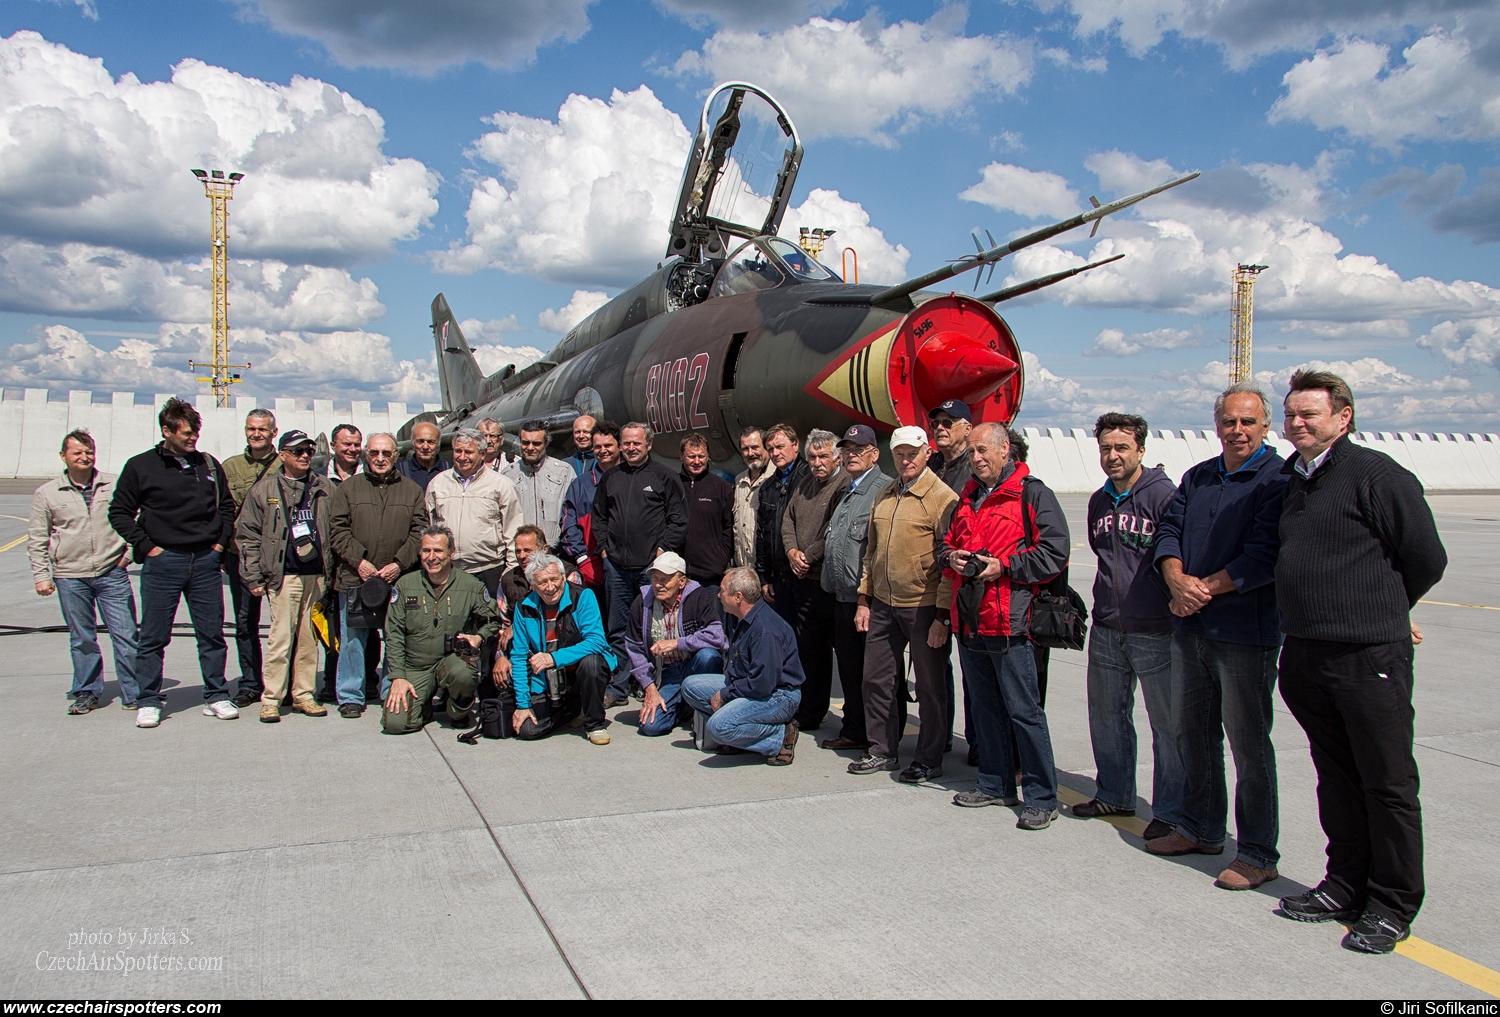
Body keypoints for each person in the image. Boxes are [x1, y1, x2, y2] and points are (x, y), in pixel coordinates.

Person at [1274, 370, 1447, 954]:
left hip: (1367, 654)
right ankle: (1344, 885)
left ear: (1343, 416)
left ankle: (1392, 904)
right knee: (1337, 776)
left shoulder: (1377, 475)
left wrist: (1385, 611)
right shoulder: (1294, 479)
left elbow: (1425, 557)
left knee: (1388, 782)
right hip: (1306, 653)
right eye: (1292, 414)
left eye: (1310, 415)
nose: (1298, 424)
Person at [1150, 382, 1288, 891]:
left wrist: (1199, 589)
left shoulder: (1277, 480)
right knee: (1194, 733)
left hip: (1244, 635)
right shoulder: (1199, 476)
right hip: (1191, 628)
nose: (1237, 430)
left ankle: (1256, 851)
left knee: (1248, 746)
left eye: (1248, 422)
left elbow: (1264, 554)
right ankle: (1202, 828)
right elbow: (1169, 530)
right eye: (1229, 421)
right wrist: (1174, 578)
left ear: (1266, 426)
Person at [942, 423, 1070, 829]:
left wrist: (1005, 566)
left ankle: (1041, 796)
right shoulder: (967, 497)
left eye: (983, 450)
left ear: (1005, 450)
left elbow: (1055, 551)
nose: (976, 458)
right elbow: (945, 542)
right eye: (973, 452)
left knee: (1024, 711)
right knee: (984, 706)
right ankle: (995, 783)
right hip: (972, 619)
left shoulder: (1033, 493)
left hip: (1012, 621)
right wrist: (952, 559)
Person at [1073, 414, 1182, 840]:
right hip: (1107, 626)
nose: (1113, 456)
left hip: (1155, 628)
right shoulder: (1099, 501)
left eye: (1121, 448)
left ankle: (1171, 810)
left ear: (1140, 450)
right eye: (1105, 448)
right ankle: (1115, 793)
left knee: (1167, 725)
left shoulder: (1164, 497)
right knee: (1107, 715)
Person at [109, 397, 237, 729]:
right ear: (166, 430)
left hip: (205, 562)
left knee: (212, 634)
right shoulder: (140, 466)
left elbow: (226, 508)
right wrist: (147, 547)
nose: (192, 439)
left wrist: (219, 545)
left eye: (195, 433)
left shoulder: (208, 464)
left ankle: (216, 695)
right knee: (153, 636)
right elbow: (119, 513)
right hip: (163, 562)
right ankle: (149, 699)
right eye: (185, 435)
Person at [849, 426, 958, 783]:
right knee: (876, 681)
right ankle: (881, 749)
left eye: (912, 453)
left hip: (923, 606)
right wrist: (864, 599)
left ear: (927, 453)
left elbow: (948, 564)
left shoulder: (943, 499)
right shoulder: (885, 493)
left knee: (929, 686)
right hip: (882, 604)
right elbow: (871, 553)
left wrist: (942, 615)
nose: (905, 460)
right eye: (899, 454)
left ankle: (928, 758)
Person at [30, 429, 138, 714]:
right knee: (82, 638)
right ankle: (87, 691)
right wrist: (42, 575)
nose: (84, 457)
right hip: (70, 575)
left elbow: (135, 519)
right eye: (77, 452)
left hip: (111, 571)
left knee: (126, 634)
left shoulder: (113, 485)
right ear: (63, 456)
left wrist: (127, 555)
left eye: (89, 452)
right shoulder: (48, 493)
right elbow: (38, 538)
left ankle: (135, 692)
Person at [328, 433, 429, 719]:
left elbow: (419, 531)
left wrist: (399, 563)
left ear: (396, 455)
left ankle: (389, 690)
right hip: (355, 577)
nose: (380, 458)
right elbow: (337, 529)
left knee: (396, 637)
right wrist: (358, 560)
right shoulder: (348, 490)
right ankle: (350, 695)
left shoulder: (410, 491)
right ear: (366, 455)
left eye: (386, 453)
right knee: (353, 639)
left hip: (398, 578)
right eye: (374, 453)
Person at [236, 430, 333, 723]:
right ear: (282, 455)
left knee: (308, 639)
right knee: (280, 639)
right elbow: (247, 535)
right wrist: (253, 576)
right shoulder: (264, 491)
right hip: (284, 575)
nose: (305, 456)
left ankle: (304, 694)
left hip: (315, 576)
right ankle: (272, 698)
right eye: (298, 451)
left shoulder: (325, 488)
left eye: (308, 450)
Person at [591, 422, 688, 708]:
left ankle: (653, 684)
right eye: (626, 443)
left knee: (653, 628)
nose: (631, 448)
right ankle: (620, 686)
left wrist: (661, 553)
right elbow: (599, 516)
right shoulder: (611, 478)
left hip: (651, 570)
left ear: (648, 445)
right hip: (617, 568)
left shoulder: (664, 477)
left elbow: (679, 519)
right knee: (618, 629)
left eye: (637, 443)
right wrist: (604, 549)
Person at [382, 526, 503, 734]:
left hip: (451, 661)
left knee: (464, 674)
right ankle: (423, 706)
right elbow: (393, 634)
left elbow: (493, 621)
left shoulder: (470, 586)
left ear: (451, 552)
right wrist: (397, 677)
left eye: (438, 551)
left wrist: (478, 638)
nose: (432, 557)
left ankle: (457, 711)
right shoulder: (405, 585)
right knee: (395, 724)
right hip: (416, 665)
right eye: (426, 551)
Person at [681, 567, 805, 764]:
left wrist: (725, 695)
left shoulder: (766, 630)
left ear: (738, 597)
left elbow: (762, 684)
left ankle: (780, 737)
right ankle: (741, 736)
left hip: (778, 695)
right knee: (690, 686)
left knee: (718, 727)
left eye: (723, 591)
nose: (719, 595)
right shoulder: (740, 618)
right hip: (748, 685)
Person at [817, 424, 891, 751]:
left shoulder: (882, 490)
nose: (850, 455)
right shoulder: (847, 489)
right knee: (849, 671)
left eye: (858, 450)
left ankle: (882, 739)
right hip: (842, 598)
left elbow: (878, 551)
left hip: (866, 601)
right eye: (846, 450)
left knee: (874, 677)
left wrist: (865, 598)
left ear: (874, 454)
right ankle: (855, 730)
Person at [509, 552, 616, 743]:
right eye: (543, 582)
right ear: (533, 585)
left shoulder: (582, 596)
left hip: (579, 671)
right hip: (547, 680)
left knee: (592, 663)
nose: (550, 587)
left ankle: (595, 724)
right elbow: (518, 656)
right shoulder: (523, 606)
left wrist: (554, 658)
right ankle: (571, 709)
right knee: (527, 731)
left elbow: (597, 641)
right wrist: (523, 704)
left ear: (563, 577)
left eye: (554, 579)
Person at [780, 429, 845, 735]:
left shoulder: (844, 484)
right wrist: (792, 551)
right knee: (811, 652)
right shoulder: (805, 484)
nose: (818, 463)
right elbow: (788, 520)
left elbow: (833, 529)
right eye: (813, 457)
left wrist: (807, 557)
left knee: (844, 655)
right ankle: (811, 712)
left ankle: (854, 719)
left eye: (823, 457)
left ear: (837, 457)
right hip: (803, 582)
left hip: (828, 583)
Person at [625, 552, 727, 736]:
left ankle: (704, 708)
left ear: (681, 581)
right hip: (666, 672)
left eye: (665, 579)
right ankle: (684, 705)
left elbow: (717, 636)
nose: (657, 584)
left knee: (708, 656)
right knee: (650, 726)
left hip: (693, 665)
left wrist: (678, 643)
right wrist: (650, 689)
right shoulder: (642, 602)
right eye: (655, 578)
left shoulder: (698, 596)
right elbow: (634, 648)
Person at [221, 408, 280, 708]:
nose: (256, 434)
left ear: (274, 432)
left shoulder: (285, 463)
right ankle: (250, 683)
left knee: (284, 624)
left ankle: (282, 682)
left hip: (278, 558)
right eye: (251, 429)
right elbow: (221, 510)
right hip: (241, 555)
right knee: (245, 622)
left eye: (262, 429)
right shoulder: (230, 467)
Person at [425, 427, 524, 599]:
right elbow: (431, 526)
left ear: (483, 453)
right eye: (458, 451)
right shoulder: (438, 484)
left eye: (469, 452)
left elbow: (513, 529)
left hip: (489, 571)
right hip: (449, 570)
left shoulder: (501, 485)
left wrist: (510, 570)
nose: (462, 457)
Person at [315, 422, 362, 703]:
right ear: (334, 446)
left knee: (359, 626)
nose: (352, 450)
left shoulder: (368, 477)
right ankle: (330, 682)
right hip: (326, 563)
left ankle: (364, 683)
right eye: (346, 444)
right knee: (330, 628)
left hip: (356, 564)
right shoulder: (319, 479)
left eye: (356, 445)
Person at [754, 423, 806, 623]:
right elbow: (762, 534)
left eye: (780, 446)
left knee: (810, 640)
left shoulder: (809, 479)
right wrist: (764, 576)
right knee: (785, 635)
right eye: (771, 449)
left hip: (804, 576)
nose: (775, 453)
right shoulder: (768, 487)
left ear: (795, 445)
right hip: (780, 578)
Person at [560, 420, 622, 585]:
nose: (603, 451)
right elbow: (568, 524)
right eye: (597, 447)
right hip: (593, 568)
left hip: (629, 567)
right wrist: (581, 557)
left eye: (608, 445)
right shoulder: (580, 485)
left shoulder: (632, 479)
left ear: (620, 446)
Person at [501, 419, 576, 548]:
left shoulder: (563, 471)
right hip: (521, 551)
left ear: (546, 443)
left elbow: (573, 513)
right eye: (525, 443)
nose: (530, 448)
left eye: (536, 443)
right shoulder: (508, 475)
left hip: (555, 549)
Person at [678, 433, 734, 590]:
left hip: (711, 576)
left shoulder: (721, 487)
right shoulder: (672, 485)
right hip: (677, 574)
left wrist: (720, 559)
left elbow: (728, 527)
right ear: (681, 455)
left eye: (701, 456)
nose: (697, 461)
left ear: (708, 456)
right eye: (691, 456)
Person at [732, 427, 772, 569]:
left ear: (766, 446)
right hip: (743, 569)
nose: (750, 453)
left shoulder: (776, 479)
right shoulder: (739, 481)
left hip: (768, 571)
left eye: (755, 447)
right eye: (745, 449)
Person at [929, 399, 974, 493]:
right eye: (936, 423)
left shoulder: (976, 469)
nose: (939, 428)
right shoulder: (927, 463)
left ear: (967, 429)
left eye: (947, 423)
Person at [396, 421, 449, 492]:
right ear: (413, 443)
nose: (425, 447)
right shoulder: (398, 471)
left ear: (438, 444)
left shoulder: (451, 470)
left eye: (431, 442)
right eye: (420, 441)